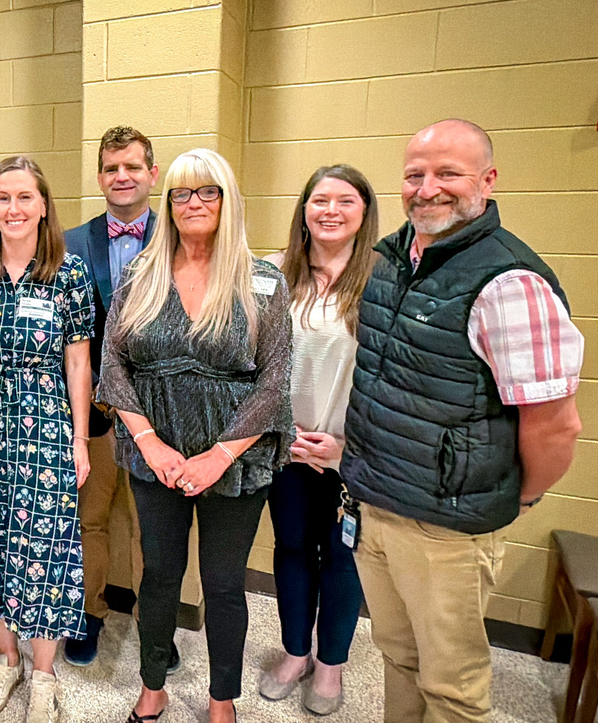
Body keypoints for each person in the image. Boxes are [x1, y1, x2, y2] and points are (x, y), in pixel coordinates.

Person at [341, 119, 584, 722]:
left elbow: (557, 426)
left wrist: (515, 500)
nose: (428, 189)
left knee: (452, 684)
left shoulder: (510, 281)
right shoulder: (390, 259)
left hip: (447, 528)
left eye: (448, 173)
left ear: (487, 180)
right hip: (376, 504)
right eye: (415, 175)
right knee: (396, 655)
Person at [97, 148, 294, 723]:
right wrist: (151, 444)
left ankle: (221, 701)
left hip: (235, 458)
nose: (193, 203)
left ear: (228, 200)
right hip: (152, 455)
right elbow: (114, 364)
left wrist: (218, 456)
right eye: (181, 193)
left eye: (207, 191)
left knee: (224, 583)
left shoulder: (262, 281)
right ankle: (153, 686)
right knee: (159, 575)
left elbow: (276, 381)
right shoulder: (141, 275)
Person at [0, 156, 94, 723]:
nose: (13, 209)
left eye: (25, 197)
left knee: (46, 548)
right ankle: (7, 660)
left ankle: (45, 671)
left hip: (46, 422)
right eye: (2, 198)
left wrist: (79, 440)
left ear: (44, 206)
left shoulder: (68, 273)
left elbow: (79, 362)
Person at [259, 165, 378, 715]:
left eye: (344, 201)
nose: (330, 210)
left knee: (341, 557)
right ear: (303, 210)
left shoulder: (380, 283)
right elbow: (256, 365)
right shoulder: (276, 276)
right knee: (291, 550)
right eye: (319, 200)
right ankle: (294, 653)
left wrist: (344, 448)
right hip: (286, 449)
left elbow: (394, 381)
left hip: (351, 456)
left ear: (364, 214)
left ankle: (330, 667)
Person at [64, 126, 181, 669]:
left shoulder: (179, 235)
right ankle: (88, 614)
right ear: (100, 176)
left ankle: (156, 627)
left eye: (132, 166)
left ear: (152, 174)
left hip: (158, 414)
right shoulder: (70, 242)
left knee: (150, 525)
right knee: (89, 518)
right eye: (111, 168)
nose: (122, 176)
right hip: (94, 411)